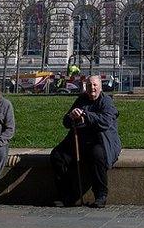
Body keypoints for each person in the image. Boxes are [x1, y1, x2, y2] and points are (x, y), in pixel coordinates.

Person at [50, 75, 121, 208]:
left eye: (94, 85)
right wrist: (71, 116)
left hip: (101, 140)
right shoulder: (81, 100)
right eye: (89, 85)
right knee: (57, 156)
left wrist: (85, 115)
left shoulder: (106, 101)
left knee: (97, 155)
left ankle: (101, 195)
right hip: (80, 139)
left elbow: (105, 122)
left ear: (100, 87)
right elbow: (66, 122)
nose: (92, 88)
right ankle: (67, 195)